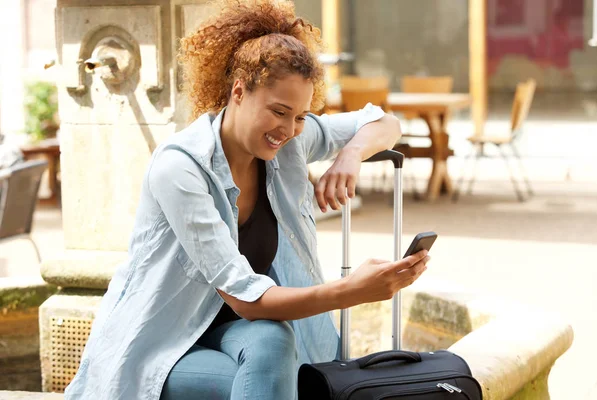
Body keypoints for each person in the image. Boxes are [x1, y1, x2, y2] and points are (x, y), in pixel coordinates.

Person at [63, 1, 429, 399]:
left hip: (232, 333)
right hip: (161, 345)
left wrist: (351, 155)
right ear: (238, 90)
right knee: (276, 371)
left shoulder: (288, 143)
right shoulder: (180, 168)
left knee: (273, 341)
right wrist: (351, 290)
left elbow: (384, 122)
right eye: (279, 112)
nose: (289, 130)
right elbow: (245, 297)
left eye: (301, 116)